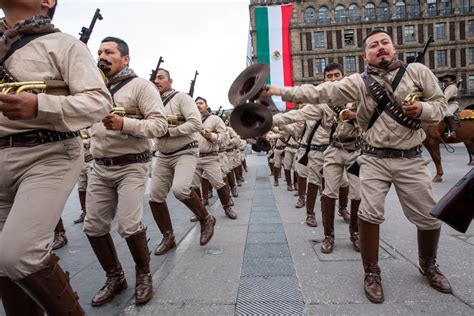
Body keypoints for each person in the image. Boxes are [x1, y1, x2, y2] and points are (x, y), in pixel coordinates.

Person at [263, 29, 452, 303]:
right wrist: (275, 90)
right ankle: (371, 272)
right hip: (373, 159)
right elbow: (318, 93)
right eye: (373, 45)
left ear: (394, 47)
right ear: (365, 55)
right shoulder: (357, 82)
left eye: (384, 43)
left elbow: (441, 104)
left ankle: (428, 264)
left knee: (429, 217)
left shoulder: (418, 72)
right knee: (369, 212)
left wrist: (422, 110)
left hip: (411, 157)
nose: (380, 48)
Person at [0, 1, 111, 314]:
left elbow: (99, 103)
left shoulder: (64, 44)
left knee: (18, 255)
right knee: (3, 268)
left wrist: (40, 106)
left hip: (48, 153)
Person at [83, 36, 167, 306]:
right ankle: (115, 277)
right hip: (99, 167)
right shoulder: (92, 89)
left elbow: (160, 126)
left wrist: (125, 124)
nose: (102, 56)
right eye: (99, 52)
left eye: (109, 52)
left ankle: (144, 274)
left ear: (126, 59)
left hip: (132, 164)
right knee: (93, 226)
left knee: (129, 225)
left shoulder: (141, 86)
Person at [149, 68, 216, 256]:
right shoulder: (151, 102)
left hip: (185, 151)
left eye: (161, 78)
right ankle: (168, 236)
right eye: (155, 79)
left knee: (180, 190)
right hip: (163, 154)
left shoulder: (182, 98)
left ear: (170, 80)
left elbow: (196, 124)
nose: (157, 81)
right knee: (155, 197)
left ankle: (206, 218)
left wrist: (170, 132)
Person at [192, 96, 237, 220]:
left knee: (219, 183)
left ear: (206, 105)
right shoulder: (190, 120)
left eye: (201, 103)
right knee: (194, 185)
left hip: (210, 156)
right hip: (193, 157)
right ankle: (199, 211)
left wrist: (211, 136)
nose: (198, 105)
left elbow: (224, 137)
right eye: (195, 103)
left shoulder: (215, 119)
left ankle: (227, 207)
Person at [439, 74, 459, 139]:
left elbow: (445, 97)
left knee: (447, 113)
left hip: (452, 104)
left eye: (447, 78)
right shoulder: (444, 88)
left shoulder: (452, 87)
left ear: (451, 79)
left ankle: (453, 131)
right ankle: (445, 130)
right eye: (443, 79)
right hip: (445, 105)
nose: (445, 80)